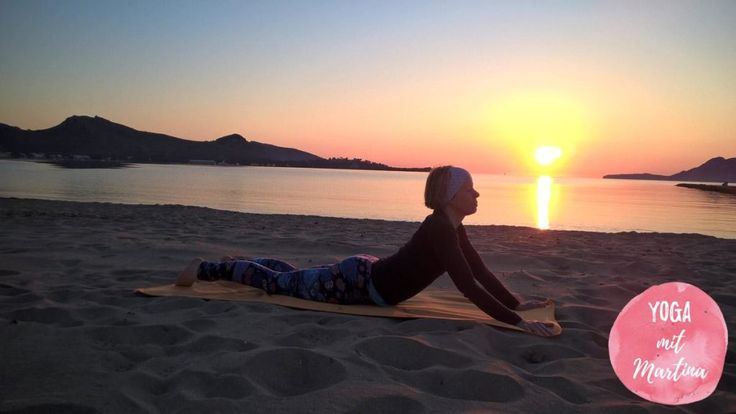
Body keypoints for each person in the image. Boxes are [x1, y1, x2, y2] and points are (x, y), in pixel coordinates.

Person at [176, 165, 555, 336]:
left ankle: (234, 263)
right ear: (449, 196)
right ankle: (206, 269)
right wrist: (517, 323)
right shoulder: (440, 228)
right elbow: (468, 286)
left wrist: (516, 304)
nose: (476, 193)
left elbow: (481, 273)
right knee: (278, 284)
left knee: (290, 277)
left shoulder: (452, 227)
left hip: (364, 275)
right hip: (357, 285)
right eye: (469, 188)